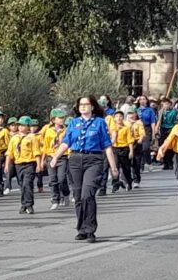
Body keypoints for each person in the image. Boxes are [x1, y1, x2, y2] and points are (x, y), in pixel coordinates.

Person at [51, 96, 118, 242]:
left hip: (93, 160)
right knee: (78, 196)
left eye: (86, 104)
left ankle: (90, 229)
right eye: (81, 104)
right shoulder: (74, 123)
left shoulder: (100, 122)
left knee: (87, 194)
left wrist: (113, 167)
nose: (83, 107)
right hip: (75, 159)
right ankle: (81, 228)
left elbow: (106, 145)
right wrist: (55, 157)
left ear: (92, 107)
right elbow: (66, 142)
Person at [4, 116, 41, 215]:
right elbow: (9, 153)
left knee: (27, 184)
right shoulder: (14, 138)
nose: (20, 127)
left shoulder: (32, 137)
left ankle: (29, 205)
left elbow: (36, 151)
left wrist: (38, 164)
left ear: (28, 127)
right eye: (19, 125)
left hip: (29, 164)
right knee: (22, 185)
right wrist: (7, 165)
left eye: (23, 125)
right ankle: (24, 205)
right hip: (18, 165)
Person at [41, 109, 69, 210]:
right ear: (53, 120)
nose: (62, 120)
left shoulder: (66, 130)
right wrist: (42, 160)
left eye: (63, 118)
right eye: (60, 118)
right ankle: (55, 199)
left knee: (61, 179)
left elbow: (68, 144)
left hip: (63, 157)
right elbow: (45, 146)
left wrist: (69, 154)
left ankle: (65, 194)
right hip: (50, 157)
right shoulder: (48, 131)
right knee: (53, 179)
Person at [108, 110, 134, 192]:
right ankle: (115, 184)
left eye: (120, 116)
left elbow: (130, 140)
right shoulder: (112, 128)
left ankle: (128, 182)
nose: (118, 118)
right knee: (114, 167)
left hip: (124, 149)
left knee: (126, 168)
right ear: (114, 118)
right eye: (117, 116)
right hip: (115, 149)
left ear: (123, 118)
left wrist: (131, 151)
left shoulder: (126, 128)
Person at [128, 107, 146, 186]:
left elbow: (142, 133)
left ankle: (136, 180)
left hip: (136, 142)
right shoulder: (125, 123)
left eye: (132, 113)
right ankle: (127, 179)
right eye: (129, 114)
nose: (131, 115)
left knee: (136, 162)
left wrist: (140, 139)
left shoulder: (139, 122)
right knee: (127, 162)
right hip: (127, 143)